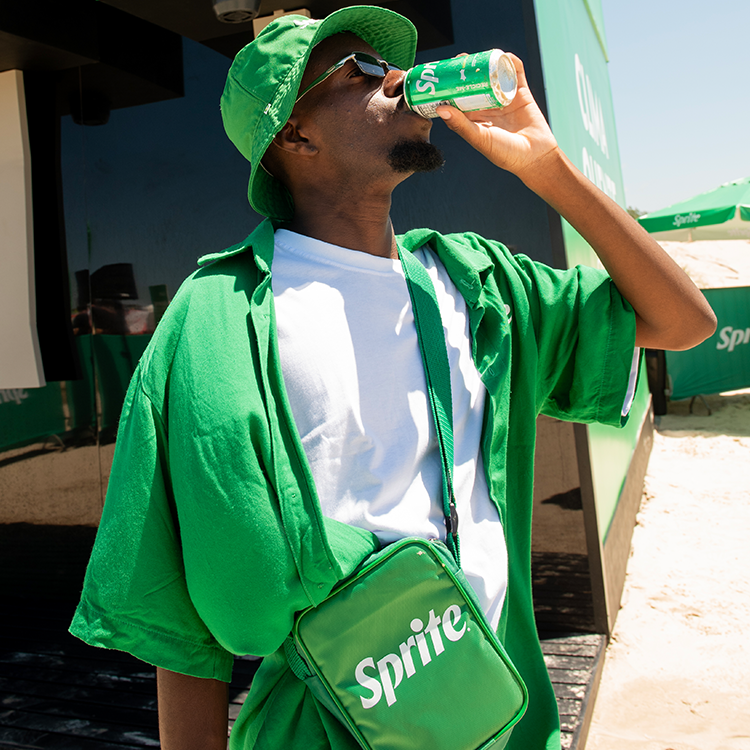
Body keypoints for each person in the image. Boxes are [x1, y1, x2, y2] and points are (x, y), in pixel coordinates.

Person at [69, 6, 716, 750]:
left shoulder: (478, 285)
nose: (402, 80)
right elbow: (180, 627)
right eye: (364, 72)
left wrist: (545, 164)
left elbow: (682, 321)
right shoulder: (217, 319)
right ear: (295, 134)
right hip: (322, 728)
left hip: (499, 717)